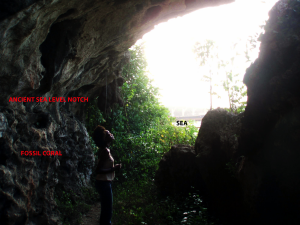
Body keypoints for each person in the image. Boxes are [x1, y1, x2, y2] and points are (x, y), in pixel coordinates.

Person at [93, 125, 122, 225]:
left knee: (106, 210)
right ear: (105, 138)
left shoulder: (105, 149)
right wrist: (114, 168)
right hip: (103, 183)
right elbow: (98, 170)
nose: (111, 134)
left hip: (103, 183)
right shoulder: (105, 151)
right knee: (107, 211)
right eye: (109, 134)